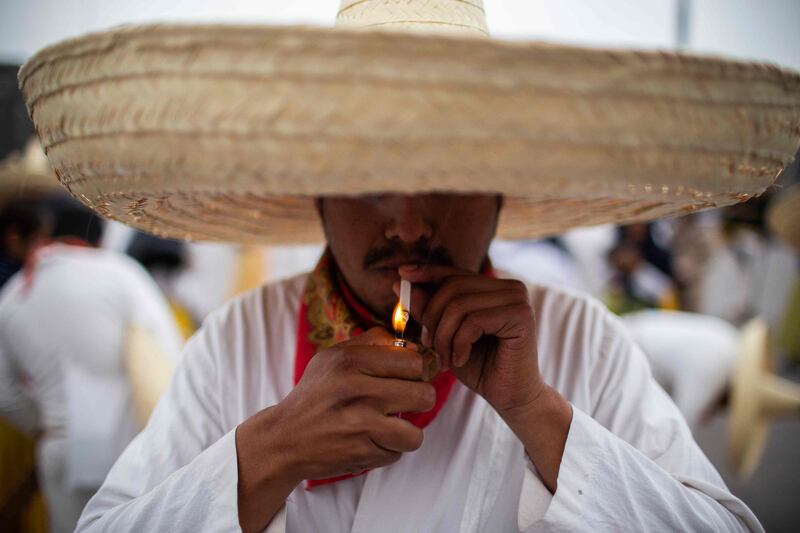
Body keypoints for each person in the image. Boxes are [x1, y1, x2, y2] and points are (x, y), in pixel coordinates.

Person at [19, 1, 800, 531]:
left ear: (502, 190)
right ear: (316, 191)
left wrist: (540, 416)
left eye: (451, 179)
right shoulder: (240, 339)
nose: (411, 223)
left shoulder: (578, 338)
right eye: (368, 180)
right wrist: (271, 448)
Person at [0, 195, 184, 533]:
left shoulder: (12, 297)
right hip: (127, 444)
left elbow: (5, 394)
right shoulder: (119, 273)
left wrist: (46, 425)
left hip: (60, 445)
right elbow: (169, 353)